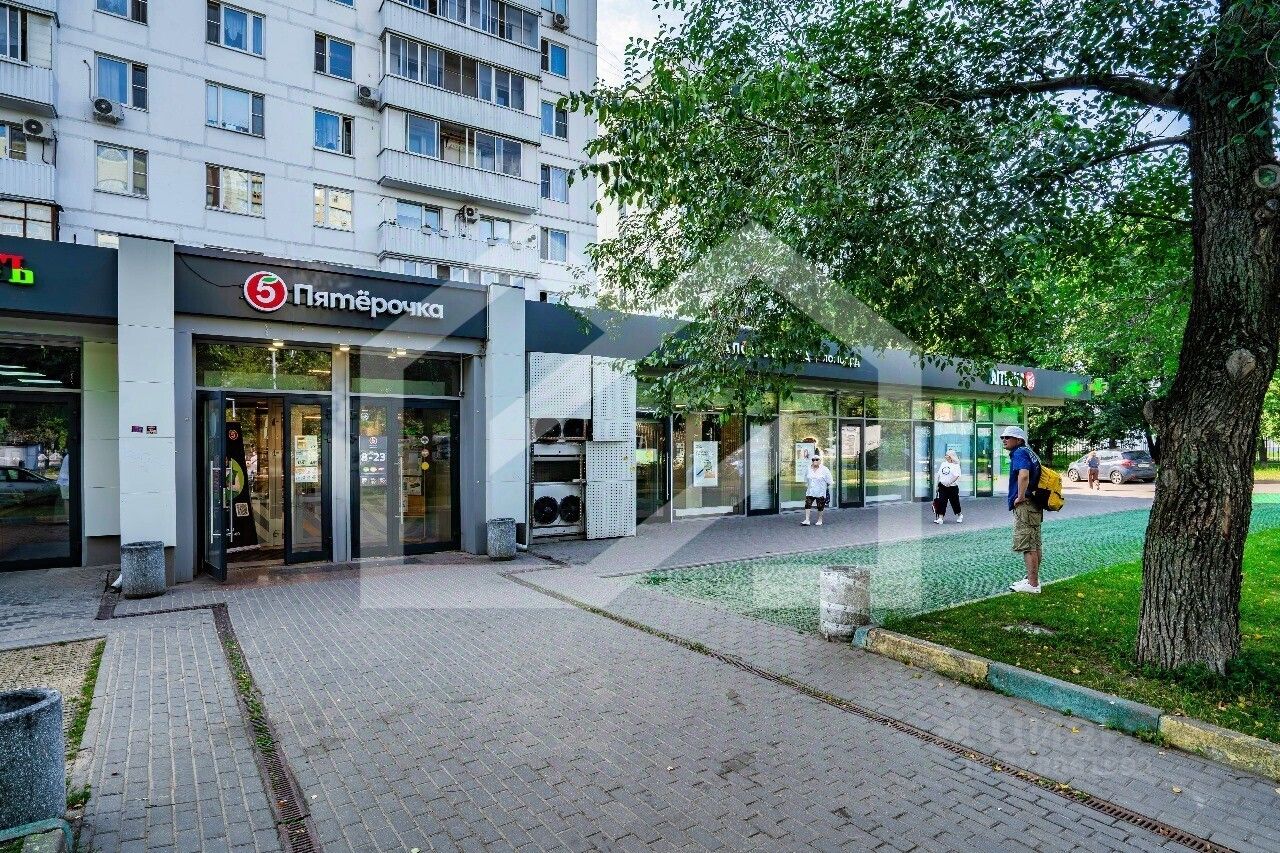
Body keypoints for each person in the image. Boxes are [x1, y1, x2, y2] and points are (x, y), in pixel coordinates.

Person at [1000, 426, 1043, 594]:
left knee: (1028, 545)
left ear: (1019, 440)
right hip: (1035, 503)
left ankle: (1032, 584)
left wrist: (1020, 497)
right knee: (1035, 543)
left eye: (1008, 437)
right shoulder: (1030, 452)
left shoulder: (1019, 453)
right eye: (1003, 437)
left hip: (1026, 504)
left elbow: (1023, 475)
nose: (1004, 440)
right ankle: (1032, 579)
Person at [800, 452, 834, 526]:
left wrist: (825, 487)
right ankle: (807, 520)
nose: (815, 461)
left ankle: (819, 520)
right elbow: (806, 479)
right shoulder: (808, 469)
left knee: (820, 506)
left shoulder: (825, 469)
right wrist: (807, 486)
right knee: (807, 504)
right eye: (813, 459)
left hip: (820, 491)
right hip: (810, 491)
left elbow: (830, 481)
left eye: (816, 459)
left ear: (820, 461)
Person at [933, 449, 963, 524]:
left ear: (951, 457)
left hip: (952, 487)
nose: (945, 456)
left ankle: (959, 515)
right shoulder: (943, 464)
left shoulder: (956, 465)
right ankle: (940, 518)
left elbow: (957, 476)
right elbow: (939, 475)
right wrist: (937, 485)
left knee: (955, 502)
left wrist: (950, 482)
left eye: (947, 455)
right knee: (942, 501)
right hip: (942, 486)